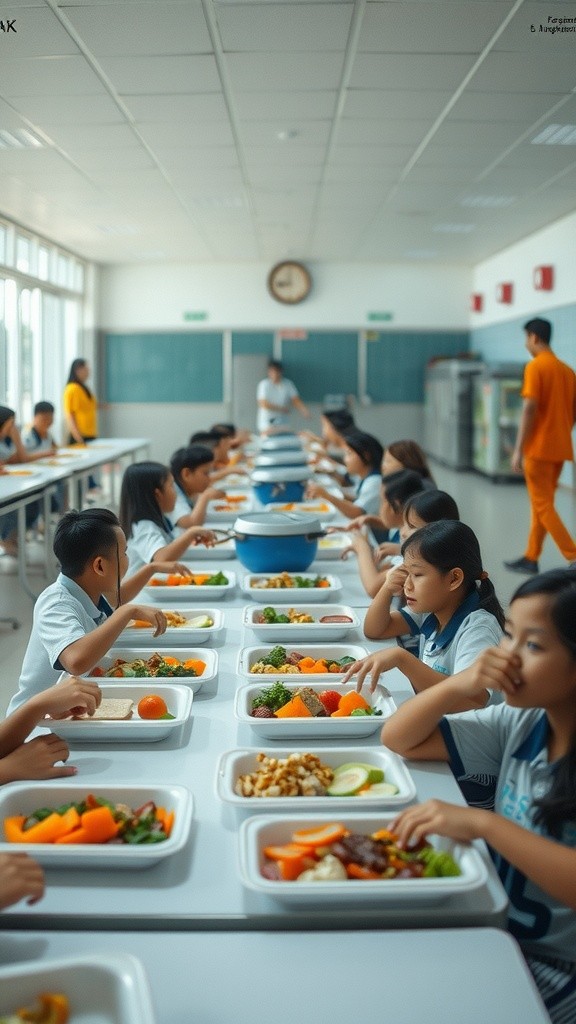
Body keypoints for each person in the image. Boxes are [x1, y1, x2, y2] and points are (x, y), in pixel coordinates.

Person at [382, 568, 576, 1024]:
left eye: (531, 645)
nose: (504, 658)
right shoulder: (523, 722)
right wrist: (460, 683)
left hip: (556, 967)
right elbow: (399, 737)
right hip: (499, 930)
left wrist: (485, 825)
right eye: (507, 637)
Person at [5, 507, 192, 714]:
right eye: (124, 553)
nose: (127, 559)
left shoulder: (87, 587)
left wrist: (152, 568)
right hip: (32, 726)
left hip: (67, 713)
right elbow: (76, 661)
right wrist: (125, 612)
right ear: (100, 566)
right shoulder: (56, 603)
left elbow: (118, 598)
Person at [342, 520, 505, 703]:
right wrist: (387, 587)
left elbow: (471, 700)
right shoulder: (433, 608)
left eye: (417, 575)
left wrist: (402, 658)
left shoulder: (478, 629)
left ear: (454, 579)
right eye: (406, 573)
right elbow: (375, 629)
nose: (407, 585)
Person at [505, 318, 576, 574]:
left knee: (543, 505)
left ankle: (573, 554)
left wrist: (518, 450)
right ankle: (531, 557)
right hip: (560, 448)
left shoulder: (536, 367)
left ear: (534, 337)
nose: (526, 344)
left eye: (526, 338)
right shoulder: (567, 371)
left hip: (538, 449)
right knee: (541, 504)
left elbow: (529, 408)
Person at [119, 461, 215, 575]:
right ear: (157, 494)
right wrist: (191, 533)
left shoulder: (159, 518)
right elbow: (161, 560)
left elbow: (169, 549)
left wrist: (188, 540)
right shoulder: (143, 526)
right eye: (171, 487)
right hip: (143, 592)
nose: (176, 494)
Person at [339, 470, 426, 597]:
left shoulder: (411, 546)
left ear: (396, 504)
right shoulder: (405, 531)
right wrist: (371, 519)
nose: (379, 507)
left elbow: (373, 588)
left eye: (382, 501)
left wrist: (362, 548)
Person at [0, 405, 58, 558]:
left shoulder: (7, 440)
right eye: (10, 424)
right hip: (5, 489)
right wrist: (17, 438)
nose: (13, 427)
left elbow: (17, 459)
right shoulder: (24, 436)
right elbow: (21, 458)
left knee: (35, 496)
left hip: (10, 484)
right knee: (16, 503)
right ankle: (6, 538)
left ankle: (14, 535)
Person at [305, 429, 384, 519]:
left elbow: (357, 512)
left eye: (349, 454)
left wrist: (327, 496)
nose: (345, 459)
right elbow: (355, 497)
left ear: (366, 456)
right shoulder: (365, 477)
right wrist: (325, 492)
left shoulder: (374, 481)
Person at [63, 358, 100, 492]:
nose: (88, 372)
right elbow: (70, 415)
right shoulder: (72, 389)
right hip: (79, 436)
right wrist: (77, 436)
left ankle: (87, 495)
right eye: (86, 369)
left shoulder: (84, 388)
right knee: (80, 471)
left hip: (90, 434)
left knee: (90, 468)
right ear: (77, 370)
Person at [169, 445, 226, 529]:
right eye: (206, 473)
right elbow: (191, 525)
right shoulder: (173, 493)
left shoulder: (188, 489)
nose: (209, 478)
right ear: (186, 474)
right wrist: (205, 496)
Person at [256, 358, 309, 434]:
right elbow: (263, 404)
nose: (275, 374)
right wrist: (281, 409)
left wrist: (304, 410)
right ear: (269, 372)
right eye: (272, 371)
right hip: (267, 420)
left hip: (282, 420)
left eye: (277, 371)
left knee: (285, 437)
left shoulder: (288, 384)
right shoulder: (264, 384)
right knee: (267, 437)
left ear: (281, 371)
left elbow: (295, 399)